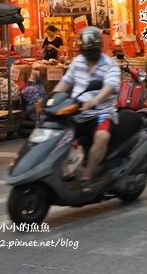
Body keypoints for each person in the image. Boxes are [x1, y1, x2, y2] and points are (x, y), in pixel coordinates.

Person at [52, 26, 121, 193]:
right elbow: (65, 82)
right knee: (55, 133)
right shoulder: (78, 62)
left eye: (92, 49)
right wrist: (51, 98)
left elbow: (109, 87)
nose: (88, 53)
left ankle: (87, 177)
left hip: (101, 113)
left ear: (99, 47)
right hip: (76, 112)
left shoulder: (110, 65)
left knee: (102, 136)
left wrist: (95, 101)